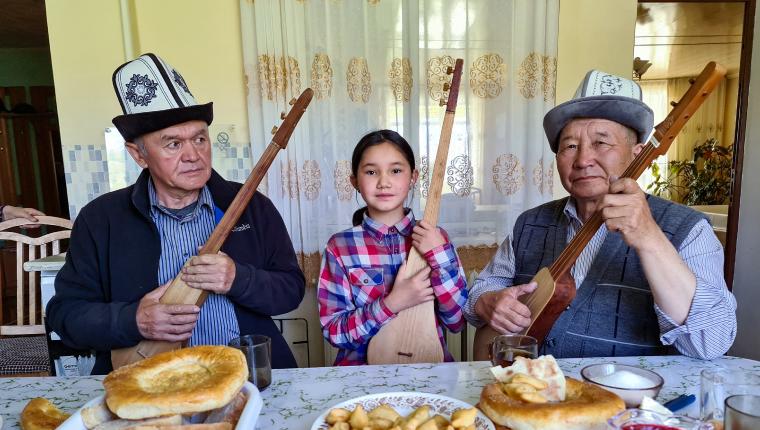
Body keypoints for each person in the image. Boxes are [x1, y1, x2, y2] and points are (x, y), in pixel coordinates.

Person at [47, 53, 305, 374]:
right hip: (149, 384)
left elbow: (291, 291)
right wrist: (134, 320)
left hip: (247, 376)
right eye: (172, 144)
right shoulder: (100, 220)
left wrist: (238, 278)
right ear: (138, 155)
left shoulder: (251, 205)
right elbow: (64, 315)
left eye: (199, 138)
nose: (193, 155)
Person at [463, 70, 736, 360]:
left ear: (637, 154)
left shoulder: (688, 229)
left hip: (630, 401)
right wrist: (487, 301)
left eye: (601, 143)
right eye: (570, 146)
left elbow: (711, 343)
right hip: (531, 395)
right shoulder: (530, 222)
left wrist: (650, 239)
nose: (582, 160)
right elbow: (485, 286)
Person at [318, 129, 468, 365]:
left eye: (396, 171)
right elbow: (334, 332)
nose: (384, 182)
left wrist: (439, 256)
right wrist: (392, 303)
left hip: (429, 370)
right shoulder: (340, 247)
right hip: (360, 376)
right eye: (371, 172)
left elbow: (457, 321)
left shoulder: (436, 239)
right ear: (354, 181)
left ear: (413, 177)